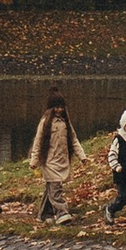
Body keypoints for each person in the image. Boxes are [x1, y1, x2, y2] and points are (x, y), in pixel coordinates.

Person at [29, 91, 86, 221]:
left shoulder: (66, 123)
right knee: (56, 188)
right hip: (49, 162)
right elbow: (37, 142)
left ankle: (44, 214)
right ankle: (62, 212)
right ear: (51, 108)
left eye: (61, 107)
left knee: (50, 188)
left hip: (62, 160)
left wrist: (82, 156)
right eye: (56, 107)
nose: (59, 110)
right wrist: (34, 160)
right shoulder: (44, 123)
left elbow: (74, 140)